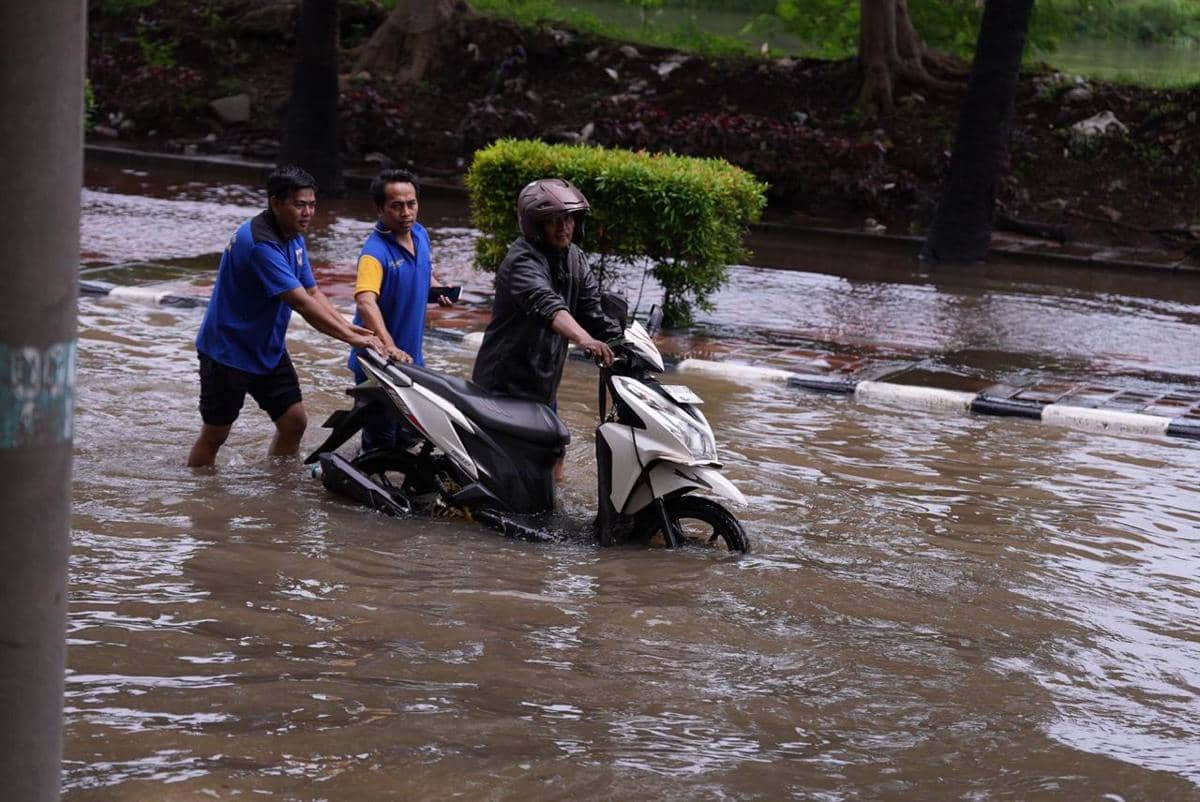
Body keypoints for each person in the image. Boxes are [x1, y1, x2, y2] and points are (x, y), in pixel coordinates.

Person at [188, 165, 384, 467]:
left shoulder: (293, 237)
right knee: (216, 435)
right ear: (276, 202)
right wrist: (351, 339)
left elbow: (313, 292)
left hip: (267, 348)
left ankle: (279, 485)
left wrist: (350, 328)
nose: (307, 212)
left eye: (312, 204)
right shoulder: (261, 245)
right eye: (299, 205)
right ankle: (200, 495)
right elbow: (301, 305)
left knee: (294, 422)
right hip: (227, 352)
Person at [470, 178, 622, 480]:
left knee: (555, 452)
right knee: (509, 467)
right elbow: (549, 305)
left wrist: (625, 341)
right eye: (552, 221)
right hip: (507, 385)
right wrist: (584, 340)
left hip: (543, 383)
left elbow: (591, 311)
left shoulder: (574, 258)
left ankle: (551, 506)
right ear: (535, 225)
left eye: (567, 218)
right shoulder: (521, 261)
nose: (563, 227)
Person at [347, 169, 455, 451]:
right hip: (379, 361)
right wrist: (389, 345)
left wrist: (437, 288)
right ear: (380, 208)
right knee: (381, 441)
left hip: (412, 359)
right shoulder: (374, 253)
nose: (406, 212)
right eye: (397, 206)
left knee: (411, 435)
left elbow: (423, 270)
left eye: (412, 204)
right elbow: (365, 301)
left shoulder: (420, 234)